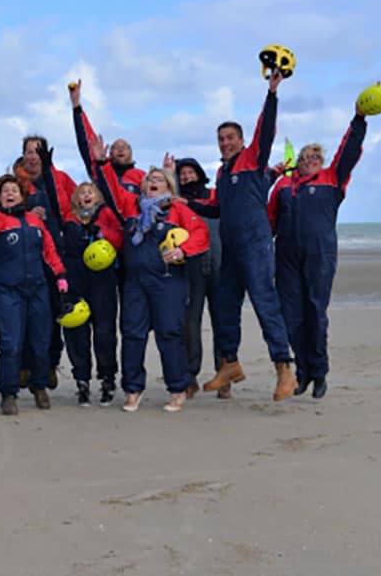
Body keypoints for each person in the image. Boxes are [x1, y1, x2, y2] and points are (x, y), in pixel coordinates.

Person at [185, 70, 297, 400]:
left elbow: (266, 130)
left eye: (230, 137)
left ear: (242, 140)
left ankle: (284, 369)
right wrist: (183, 202)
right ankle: (230, 364)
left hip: (255, 245)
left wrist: (272, 93)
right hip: (232, 249)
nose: (225, 143)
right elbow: (216, 207)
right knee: (224, 306)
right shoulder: (223, 172)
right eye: (221, 139)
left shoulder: (252, 159)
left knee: (265, 304)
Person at [93, 139, 209, 413]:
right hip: (135, 282)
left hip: (168, 281)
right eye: (149, 179)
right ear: (143, 186)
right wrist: (101, 162)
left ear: (169, 187)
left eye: (159, 179)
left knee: (170, 333)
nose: (153, 182)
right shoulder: (131, 206)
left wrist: (183, 250)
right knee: (132, 334)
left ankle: (177, 388)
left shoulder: (178, 210)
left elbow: (200, 234)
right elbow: (110, 188)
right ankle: (133, 389)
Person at [268, 104, 368, 398]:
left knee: (315, 312)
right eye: (306, 156)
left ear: (322, 162)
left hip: (320, 254)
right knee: (292, 316)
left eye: (316, 157)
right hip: (286, 256)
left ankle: (319, 372)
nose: (311, 160)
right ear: (298, 161)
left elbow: (349, 151)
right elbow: (269, 220)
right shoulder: (283, 186)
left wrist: (359, 119)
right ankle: (303, 373)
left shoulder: (332, 178)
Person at [0, 174, 68, 415]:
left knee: (41, 342)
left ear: (22, 196)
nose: (10, 194)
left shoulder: (35, 221)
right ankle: (9, 393)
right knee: (10, 344)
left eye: (14, 190)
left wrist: (60, 275)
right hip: (6, 290)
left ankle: (39, 386)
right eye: (5, 191)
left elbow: (49, 250)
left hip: (37, 289)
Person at [41, 160, 123, 407]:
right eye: (82, 192)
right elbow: (55, 194)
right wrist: (48, 168)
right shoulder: (68, 217)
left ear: (98, 196)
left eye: (91, 192)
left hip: (102, 280)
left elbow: (120, 237)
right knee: (76, 331)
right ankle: (82, 381)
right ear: (76, 198)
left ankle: (107, 378)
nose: (86, 195)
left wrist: (102, 233)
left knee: (105, 332)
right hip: (75, 279)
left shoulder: (107, 214)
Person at [17, 135, 76, 390]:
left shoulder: (61, 179)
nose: (33, 156)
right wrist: (26, 214)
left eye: (38, 151)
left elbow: (77, 207)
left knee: (53, 313)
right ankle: (23, 365)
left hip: (56, 257)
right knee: (23, 315)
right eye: (29, 151)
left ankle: (50, 364)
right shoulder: (15, 183)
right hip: (24, 257)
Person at [166, 155, 225, 398]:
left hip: (220, 266)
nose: (187, 176)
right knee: (190, 323)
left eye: (190, 172)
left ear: (199, 174)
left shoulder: (213, 196)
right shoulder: (177, 203)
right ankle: (190, 376)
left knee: (223, 322)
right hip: (191, 268)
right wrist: (169, 173)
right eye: (182, 174)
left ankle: (224, 374)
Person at [70, 78, 146, 194]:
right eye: (115, 147)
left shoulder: (142, 176)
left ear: (131, 153)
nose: (120, 149)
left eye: (125, 147)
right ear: (109, 153)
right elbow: (85, 139)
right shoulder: (100, 171)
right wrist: (76, 106)